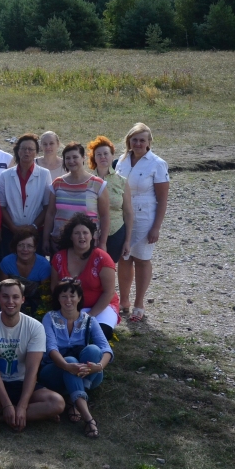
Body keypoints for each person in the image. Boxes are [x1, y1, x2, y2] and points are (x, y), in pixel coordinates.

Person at [0, 279, 65, 429]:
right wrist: (6, 405)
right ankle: (20, 414)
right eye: (5, 296)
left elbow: (32, 370)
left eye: (15, 297)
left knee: (57, 402)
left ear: (23, 299)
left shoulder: (35, 327)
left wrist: (23, 406)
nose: (10, 301)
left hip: (24, 383)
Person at [39, 278, 113, 438]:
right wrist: (67, 366)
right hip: (54, 372)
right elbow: (51, 349)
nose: (68, 300)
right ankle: (88, 418)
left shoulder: (89, 320)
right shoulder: (49, 318)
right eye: (63, 296)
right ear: (58, 298)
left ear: (79, 298)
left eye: (72, 296)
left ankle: (75, 401)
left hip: (87, 375)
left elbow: (106, 348)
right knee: (71, 361)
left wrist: (99, 367)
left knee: (93, 349)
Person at [115, 123, 169, 323]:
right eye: (134, 139)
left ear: (149, 142)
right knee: (124, 258)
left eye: (142, 140)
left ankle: (139, 303)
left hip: (145, 217)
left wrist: (156, 226)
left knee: (142, 259)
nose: (138, 143)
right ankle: (124, 301)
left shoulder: (157, 163)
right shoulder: (121, 161)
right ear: (129, 140)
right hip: (121, 216)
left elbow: (162, 199)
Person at [50, 214, 120, 339]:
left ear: (92, 235)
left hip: (101, 307)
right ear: (71, 236)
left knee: (99, 334)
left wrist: (90, 315)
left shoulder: (102, 258)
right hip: (70, 307)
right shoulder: (59, 257)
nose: (81, 237)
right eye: (77, 233)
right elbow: (54, 287)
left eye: (85, 233)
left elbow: (109, 292)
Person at [0, 133, 52, 272]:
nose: (27, 152)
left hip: (35, 231)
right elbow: (1, 206)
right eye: (23, 148)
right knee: (10, 268)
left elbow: (47, 206)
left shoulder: (45, 174)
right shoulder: (5, 175)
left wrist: (33, 226)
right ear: (18, 151)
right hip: (10, 232)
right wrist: (13, 227)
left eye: (31, 149)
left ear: (36, 152)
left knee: (35, 269)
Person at [43, 143, 110, 256]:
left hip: (87, 242)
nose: (71, 161)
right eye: (67, 158)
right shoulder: (57, 183)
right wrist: (45, 239)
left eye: (75, 157)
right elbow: (50, 214)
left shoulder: (97, 184)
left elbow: (105, 216)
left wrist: (103, 243)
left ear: (83, 158)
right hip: (60, 241)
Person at [88, 136, 134, 266]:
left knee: (108, 268)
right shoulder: (87, 181)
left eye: (106, 154)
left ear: (112, 156)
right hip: (90, 234)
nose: (103, 157)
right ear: (94, 158)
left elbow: (128, 213)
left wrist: (127, 241)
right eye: (99, 154)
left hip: (116, 231)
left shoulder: (121, 181)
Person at [0, 227, 53, 316]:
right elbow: (2, 291)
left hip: (37, 306)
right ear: (16, 247)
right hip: (12, 303)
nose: (25, 249)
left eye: (29, 246)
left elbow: (45, 295)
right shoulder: (6, 262)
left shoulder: (44, 265)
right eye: (21, 245)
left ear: (35, 248)